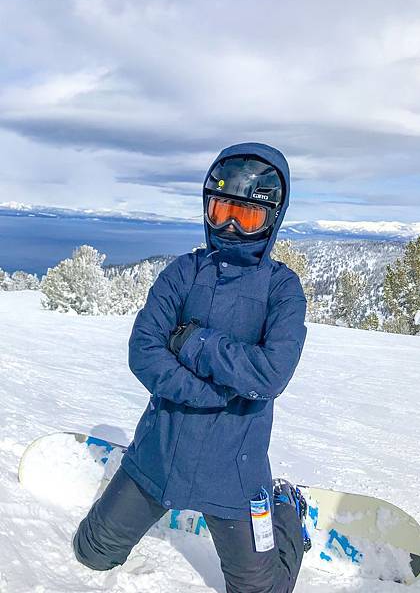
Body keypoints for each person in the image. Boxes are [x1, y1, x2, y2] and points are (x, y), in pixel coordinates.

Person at [73, 142, 308, 593]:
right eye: (221, 209)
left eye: (248, 215)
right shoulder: (183, 273)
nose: (232, 225)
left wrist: (192, 340)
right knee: (91, 552)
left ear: (272, 219)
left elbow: (271, 374)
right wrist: (214, 393)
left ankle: (286, 511)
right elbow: (144, 350)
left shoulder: (282, 288)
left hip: (236, 474)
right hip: (158, 455)